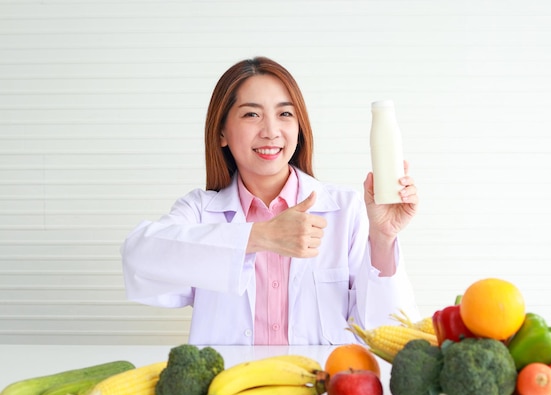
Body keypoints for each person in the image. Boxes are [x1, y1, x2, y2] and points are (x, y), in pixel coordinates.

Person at [121, 56, 420, 346]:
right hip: (227, 392)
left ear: (299, 128)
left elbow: (390, 331)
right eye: (252, 114)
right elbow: (138, 260)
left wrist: (382, 237)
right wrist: (260, 236)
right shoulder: (200, 211)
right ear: (222, 131)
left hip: (322, 389)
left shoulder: (346, 210)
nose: (271, 131)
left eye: (285, 114)